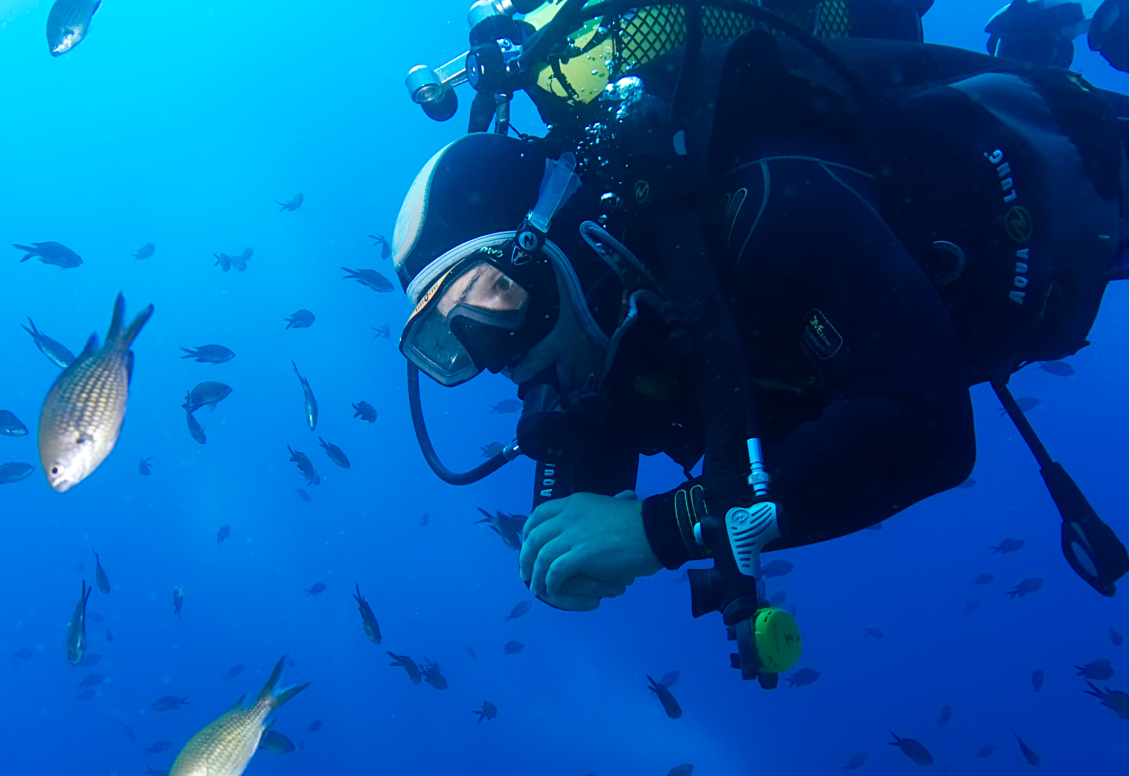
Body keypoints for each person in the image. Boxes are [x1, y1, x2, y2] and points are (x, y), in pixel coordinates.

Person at [392, 4, 1130, 614]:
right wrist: (569, 548)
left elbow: (929, 428)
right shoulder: (609, 306)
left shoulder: (765, 204)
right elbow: (586, 451)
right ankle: (1035, 39)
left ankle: (1047, 42)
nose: (485, 345)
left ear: (546, 238)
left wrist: (660, 530)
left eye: (483, 294)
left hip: (1072, 175)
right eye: (446, 340)